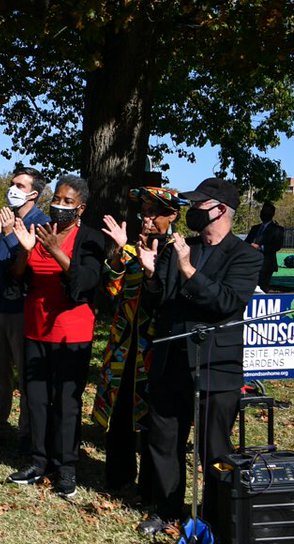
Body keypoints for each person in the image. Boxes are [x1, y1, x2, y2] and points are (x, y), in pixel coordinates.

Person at [138, 177, 263, 533]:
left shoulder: (246, 256)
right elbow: (158, 303)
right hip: (172, 359)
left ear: (220, 210)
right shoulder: (180, 247)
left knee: (214, 447)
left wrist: (189, 270)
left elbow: (227, 302)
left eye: (197, 205)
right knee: (164, 438)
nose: (191, 211)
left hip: (215, 365)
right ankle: (167, 508)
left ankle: (214, 514)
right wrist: (151, 275)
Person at [7, 175, 105, 498]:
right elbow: (17, 278)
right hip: (36, 328)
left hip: (71, 333)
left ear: (81, 208)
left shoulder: (89, 238)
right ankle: (39, 461)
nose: (59, 206)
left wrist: (55, 250)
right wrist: (25, 251)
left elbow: (86, 280)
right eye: (57, 199)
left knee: (66, 401)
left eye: (67, 202)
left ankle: (66, 467)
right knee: (36, 398)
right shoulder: (39, 230)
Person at [95, 187, 188, 493]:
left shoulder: (178, 251)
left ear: (173, 216)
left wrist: (152, 272)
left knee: (153, 420)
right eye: (145, 213)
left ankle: (150, 486)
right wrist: (118, 254)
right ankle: (118, 478)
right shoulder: (131, 250)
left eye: (155, 213)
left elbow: (169, 299)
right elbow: (112, 291)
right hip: (124, 347)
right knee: (121, 413)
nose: (147, 219)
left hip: (157, 349)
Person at [0, 167, 49, 450]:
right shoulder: (4, 218)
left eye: (20, 186)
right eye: (12, 183)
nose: (12, 189)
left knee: (25, 373)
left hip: (24, 309)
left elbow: (24, 270)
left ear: (33, 194)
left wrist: (10, 235)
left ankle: (27, 433)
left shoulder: (41, 224)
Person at [246, 201, 285, 291]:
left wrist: (260, 247)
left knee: (262, 290)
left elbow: (277, 246)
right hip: (251, 263)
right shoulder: (255, 228)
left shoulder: (277, 229)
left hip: (266, 264)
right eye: (262, 211)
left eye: (266, 212)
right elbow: (247, 242)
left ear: (272, 214)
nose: (263, 214)